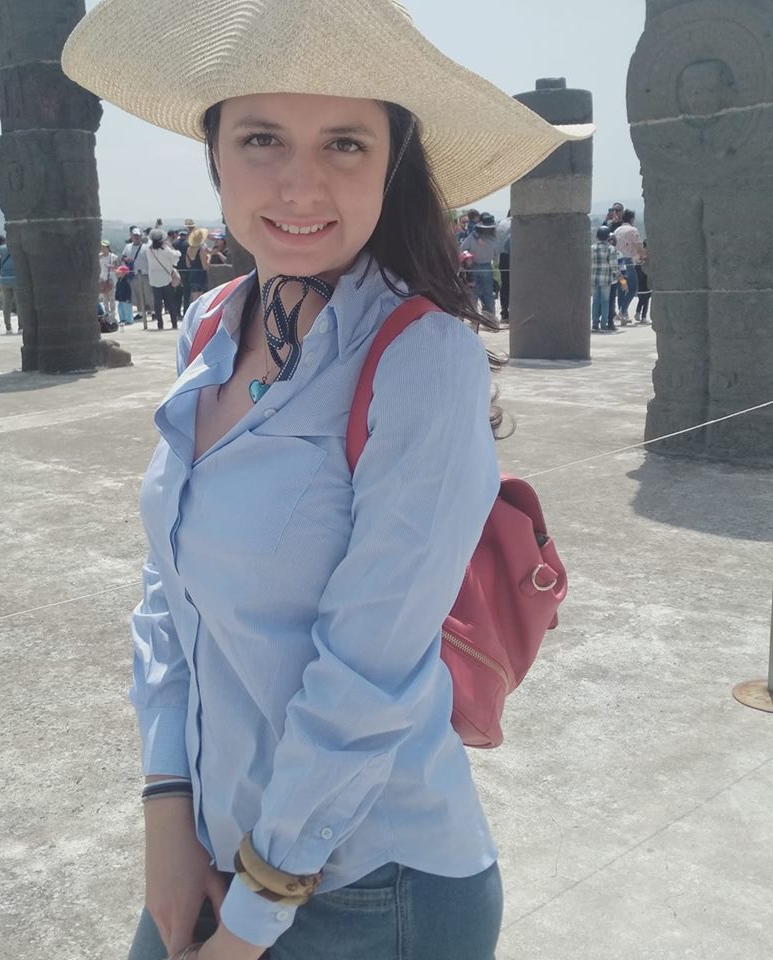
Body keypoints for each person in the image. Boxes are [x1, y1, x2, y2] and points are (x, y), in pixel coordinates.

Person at [63, 2, 588, 957]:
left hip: (367, 889)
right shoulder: (214, 323)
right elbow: (167, 589)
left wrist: (255, 916)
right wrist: (166, 816)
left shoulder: (420, 360)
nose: (300, 182)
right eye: (261, 137)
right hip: (214, 844)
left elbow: (371, 668)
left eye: (345, 143)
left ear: (392, 167)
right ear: (214, 154)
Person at [460, 212, 500, 320]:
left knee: (473, 294)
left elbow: (462, 248)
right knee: (488, 293)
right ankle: (490, 319)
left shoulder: (472, 237)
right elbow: (496, 255)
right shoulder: (494, 239)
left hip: (473, 266)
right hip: (487, 267)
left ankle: (473, 318)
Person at [145, 228, 181, 329]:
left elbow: (148, 242)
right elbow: (176, 257)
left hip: (154, 279)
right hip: (166, 278)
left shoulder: (148, 250)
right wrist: (170, 246)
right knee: (170, 302)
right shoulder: (166, 250)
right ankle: (174, 323)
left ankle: (160, 324)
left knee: (157, 303)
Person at [613, 210, 642, 323]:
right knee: (633, 287)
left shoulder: (616, 230)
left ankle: (622, 312)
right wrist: (644, 255)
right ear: (631, 219)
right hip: (628, 261)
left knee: (622, 287)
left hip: (618, 262)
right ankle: (623, 310)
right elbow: (638, 245)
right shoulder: (632, 230)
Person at [591, 226, 620, 332]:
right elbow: (614, 266)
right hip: (606, 279)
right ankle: (604, 324)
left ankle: (594, 324)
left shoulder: (592, 248)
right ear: (608, 237)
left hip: (594, 278)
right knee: (605, 302)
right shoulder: (610, 249)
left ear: (597, 236)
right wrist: (619, 277)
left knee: (595, 301)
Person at [123, 228, 152, 329]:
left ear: (141, 236)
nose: (136, 237)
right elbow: (123, 257)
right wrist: (127, 260)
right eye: (134, 236)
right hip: (133, 274)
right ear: (132, 236)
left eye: (138, 236)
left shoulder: (146, 247)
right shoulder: (128, 247)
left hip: (145, 273)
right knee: (137, 294)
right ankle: (140, 311)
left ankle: (152, 311)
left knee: (148, 293)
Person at [0, 234, 18, 333]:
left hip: (4, 279)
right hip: (16, 278)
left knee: (7, 303)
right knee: (19, 303)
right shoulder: (15, 247)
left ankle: (8, 327)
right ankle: (21, 327)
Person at [185, 228, 211, 303]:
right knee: (201, 300)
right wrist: (209, 257)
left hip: (192, 276)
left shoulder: (189, 249)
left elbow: (188, 265)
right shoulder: (201, 250)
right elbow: (205, 266)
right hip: (201, 277)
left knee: (194, 299)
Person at [495, 212, 511, 323]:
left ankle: (504, 312)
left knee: (505, 285)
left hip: (502, 257)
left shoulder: (500, 224)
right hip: (514, 256)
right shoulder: (514, 223)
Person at [99, 240, 119, 319]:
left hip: (111, 278)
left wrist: (111, 266)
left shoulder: (113, 256)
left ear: (108, 248)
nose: (103, 249)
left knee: (112, 297)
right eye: (102, 247)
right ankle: (106, 312)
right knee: (105, 297)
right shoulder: (99, 256)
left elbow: (116, 267)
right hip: (102, 277)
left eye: (104, 247)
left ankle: (113, 312)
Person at [634, 242, 652, 323]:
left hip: (639, 278)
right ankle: (643, 317)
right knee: (646, 298)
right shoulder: (647, 254)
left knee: (642, 298)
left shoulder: (638, 254)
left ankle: (638, 313)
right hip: (645, 277)